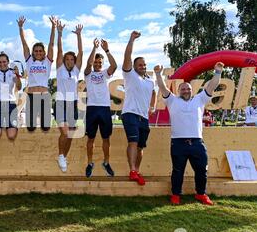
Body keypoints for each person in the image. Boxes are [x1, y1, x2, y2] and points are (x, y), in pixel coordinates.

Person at [155, 62, 224, 205]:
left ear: (192, 90)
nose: (186, 90)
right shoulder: (172, 100)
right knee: (177, 171)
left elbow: (212, 85)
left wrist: (217, 72)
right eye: (183, 88)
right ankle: (175, 195)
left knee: (201, 171)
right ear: (179, 91)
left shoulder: (200, 99)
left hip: (197, 143)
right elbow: (162, 87)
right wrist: (158, 74)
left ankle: (201, 194)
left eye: (188, 88)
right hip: (178, 143)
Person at [121, 31, 156, 186]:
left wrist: (152, 106)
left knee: (141, 146)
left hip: (144, 117)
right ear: (134, 67)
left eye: (144, 64)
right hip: (130, 114)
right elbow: (127, 56)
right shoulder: (130, 75)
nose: (143, 66)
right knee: (133, 142)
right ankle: (132, 170)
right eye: (140, 65)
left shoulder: (150, 80)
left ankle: (137, 170)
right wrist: (131, 39)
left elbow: (154, 92)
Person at [84, 38, 117, 178]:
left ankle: (106, 162)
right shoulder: (88, 74)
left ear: (102, 64)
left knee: (106, 139)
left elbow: (114, 65)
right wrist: (94, 48)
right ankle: (90, 163)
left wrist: (107, 50)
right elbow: (88, 64)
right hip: (92, 108)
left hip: (104, 108)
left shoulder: (105, 74)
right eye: (96, 62)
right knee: (90, 139)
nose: (97, 64)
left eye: (100, 63)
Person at [17, 15, 57, 132]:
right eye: (36, 51)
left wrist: (53, 27)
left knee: (46, 126)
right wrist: (20, 28)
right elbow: (24, 44)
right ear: (33, 52)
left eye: (40, 51)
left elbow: (51, 44)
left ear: (43, 52)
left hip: (44, 95)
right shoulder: (29, 61)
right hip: (31, 96)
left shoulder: (47, 62)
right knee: (30, 127)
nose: (38, 52)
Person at [54, 21, 83, 172]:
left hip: (72, 103)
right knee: (65, 132)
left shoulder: (77, 70)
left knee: (70, 134)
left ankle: (63, 156)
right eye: (68, 59)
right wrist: (59, 34)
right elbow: (59, 51)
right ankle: (60, 155)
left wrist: (79, 36)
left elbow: (81, 53)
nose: (70, 61)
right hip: (60, 103)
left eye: (72, 59)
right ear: (64, 61)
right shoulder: (60, 70)